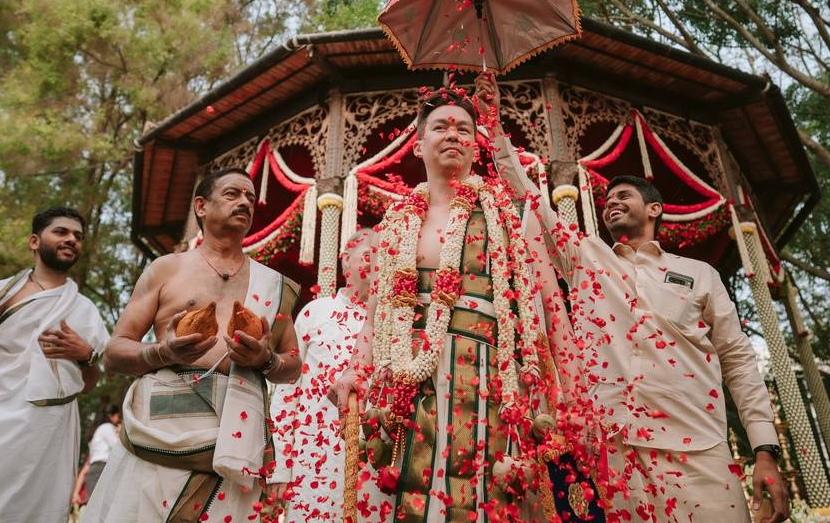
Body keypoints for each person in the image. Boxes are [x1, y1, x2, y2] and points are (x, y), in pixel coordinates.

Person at [478, 71, 790, 522]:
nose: (611, 203)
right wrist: (493, 126)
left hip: (700, 450)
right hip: (616, 454)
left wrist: (764, 451)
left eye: (623, 195)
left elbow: (738, 360)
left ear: (656, 209)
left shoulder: (698, 274)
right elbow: (530, 198)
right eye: (607, 199)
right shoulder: (587, 258)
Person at [330, 90, 583, 523]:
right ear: (418, 143)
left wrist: (569, 391)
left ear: (476, 144)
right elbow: (378, 311)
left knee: (489, 501)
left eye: (464, 128)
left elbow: (543, 305)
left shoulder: (505, 214)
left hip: (490, 378)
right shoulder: (398, 221)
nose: (453, 134)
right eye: (441, 127)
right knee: (414, 497)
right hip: (410, 379)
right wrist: (357, 368)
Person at [82, 167, 302, 523]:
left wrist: (265, 359)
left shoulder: (273, 284)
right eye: (232, 194)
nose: (245, 201)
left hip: (236, 433)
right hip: (160, 432)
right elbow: (115, 353)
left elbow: (293, 364)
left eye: (249, 197)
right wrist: (163, 353)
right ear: (201, 206)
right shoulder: (166, 269)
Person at [0, 207, 110, 523]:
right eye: (61, 232)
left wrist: (85, 354)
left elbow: (88, 383)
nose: (71, 240)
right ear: (34, 242)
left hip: (43, 447)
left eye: (78, 236)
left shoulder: (84, 309)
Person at [268, 227, 373, 522]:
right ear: (345, 260)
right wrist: (281, 466)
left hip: (370, 460)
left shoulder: (391, 324)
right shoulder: (315, 312)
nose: (375, 261)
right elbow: (288, 391)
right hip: (312, 458)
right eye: (367, 254)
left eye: (381, 255)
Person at [72, 404, 122, 507]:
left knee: (95, 508)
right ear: (112, 416)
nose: (119, 420)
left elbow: (86, 467)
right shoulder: (107, 428)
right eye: (118, 416)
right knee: (106, 507)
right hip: (102, 468)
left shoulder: (97, 433)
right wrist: (121, 433)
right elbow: (118, 447)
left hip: (94, 471)